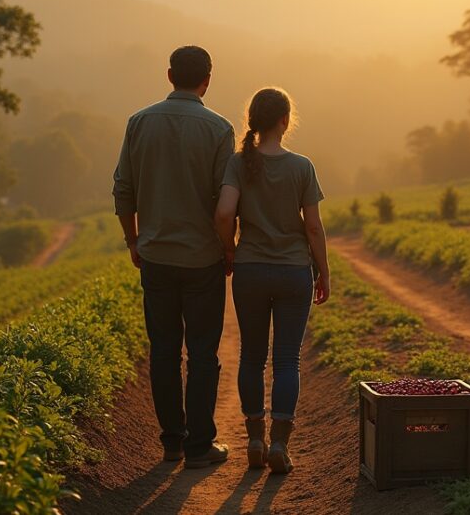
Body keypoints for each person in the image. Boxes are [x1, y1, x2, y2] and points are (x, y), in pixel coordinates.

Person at [113, 45, 234, 468]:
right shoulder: (219, 128)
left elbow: (123, 189)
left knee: (163, 351)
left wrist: (133, 240)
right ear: (207, 80)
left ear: (169, 76)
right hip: (203, 259)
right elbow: (225, 201)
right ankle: (199, 446)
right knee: (202, 355)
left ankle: (171, 442)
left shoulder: (139, 122)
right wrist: (228, 247)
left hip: (156, 257)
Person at [214, 87, 329, 474]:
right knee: (287, 360)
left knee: (251, 356)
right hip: (294, 272)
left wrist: (230, 249)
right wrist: (323, 271)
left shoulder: (238, 163)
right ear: (285, 121)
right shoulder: (302, 167)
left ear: (253, 121)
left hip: (250, 270)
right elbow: (313, 227)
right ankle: (279, 444)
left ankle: (254, 439)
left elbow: (224, 213)